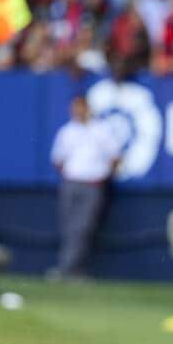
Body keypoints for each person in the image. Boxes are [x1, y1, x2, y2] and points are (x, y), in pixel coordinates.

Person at [48, 95, 121, 280]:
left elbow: (115, 157)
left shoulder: (101, 130)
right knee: (69, 226)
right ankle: (71, 268)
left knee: (83, 227)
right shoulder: (67, 131)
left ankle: (69, 269)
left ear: (88, 108)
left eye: (80, 107)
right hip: (71, 183)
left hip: (92, 184)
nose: (77, 111)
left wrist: (103, 176)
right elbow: (58, 159)